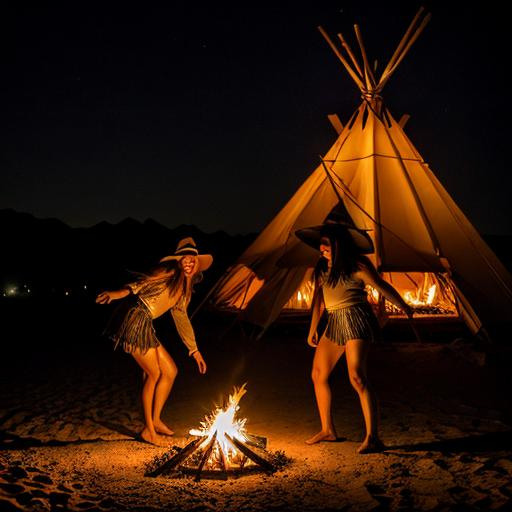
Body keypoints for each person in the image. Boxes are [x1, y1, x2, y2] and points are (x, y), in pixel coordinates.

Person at [295, 222, 413, 453]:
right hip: (334, 321)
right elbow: (319, 299)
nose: (322, 247)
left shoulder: (356, 266)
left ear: (339, 244)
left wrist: (404, 305)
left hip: (356, 317)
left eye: (326, 243)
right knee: (318, 374)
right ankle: (328, 430)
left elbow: (380, 286)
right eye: (321, 243)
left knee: (357, 377)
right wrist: (313, 329)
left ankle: (372, 437)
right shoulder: (321, 268)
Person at [96, 237, 212, 447]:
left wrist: (194, 350)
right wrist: (116, 294)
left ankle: (156, 420)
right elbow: (138, 285)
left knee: (170, 371)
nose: (189, 262)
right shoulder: (168, 273)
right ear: (178, 262)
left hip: (146, 324)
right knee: (154, 373)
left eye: (192, 259)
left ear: (196, 265)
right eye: (185, 259)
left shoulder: (184, 290)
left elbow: (182, 319)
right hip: (135, 319)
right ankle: (149, 431)